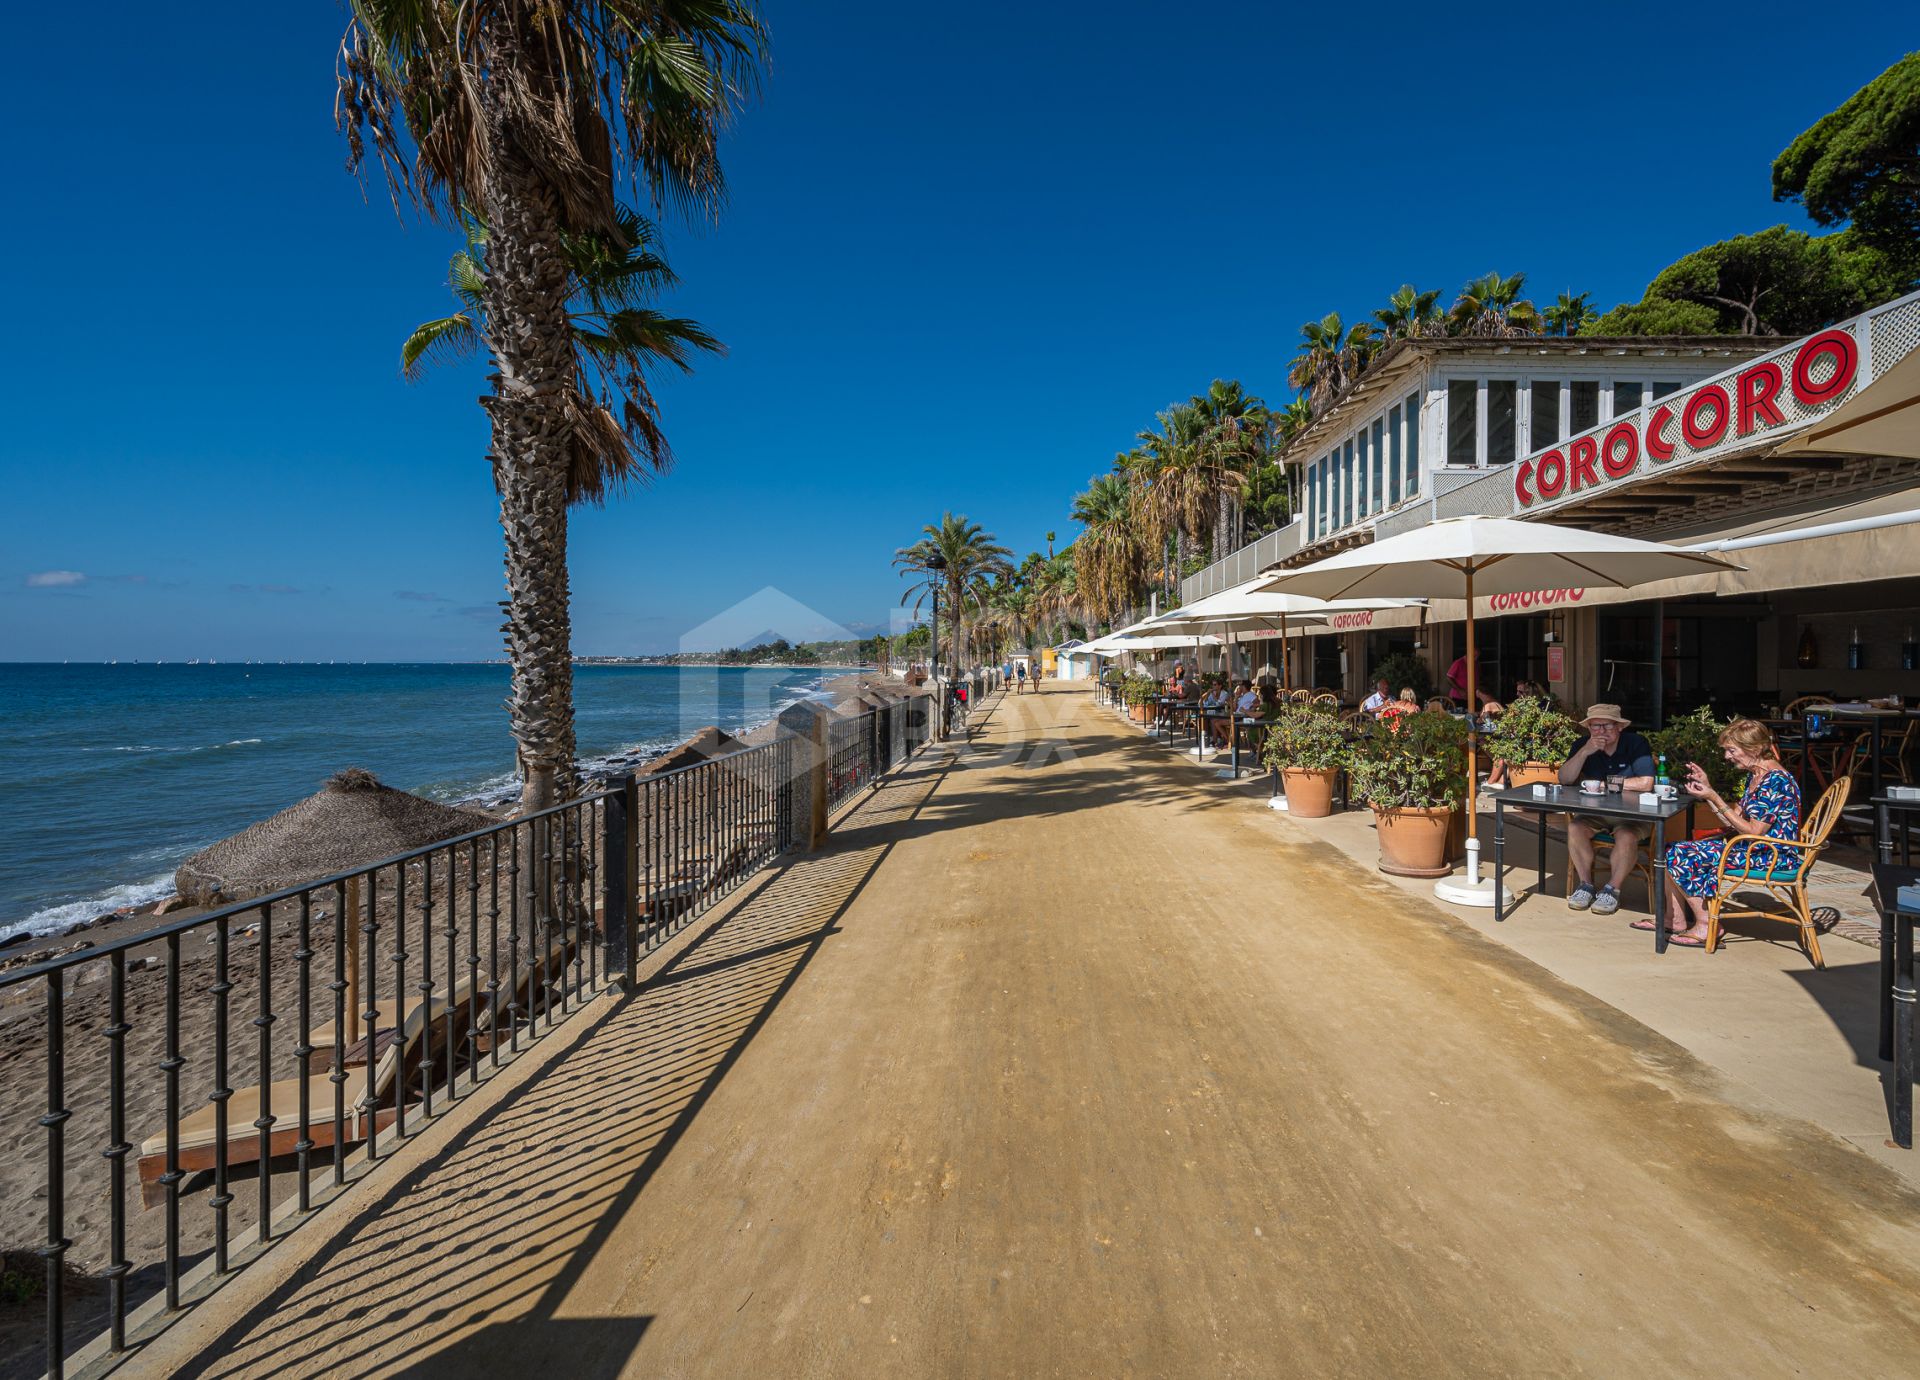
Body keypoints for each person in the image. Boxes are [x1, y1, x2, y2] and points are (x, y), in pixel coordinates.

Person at [1644, 719, 1802, 947]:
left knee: (1682, 853)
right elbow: (1733, 819)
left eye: (1732, 750)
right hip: (1752, 848)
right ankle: (1675, 919)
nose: (1727, 756)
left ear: (1755, 749)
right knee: (1672, 848)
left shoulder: (1774, 781)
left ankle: (1707, 925)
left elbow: (1753, 831)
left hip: (1771, 856)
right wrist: (1709, 792)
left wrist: (1714, 797)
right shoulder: (1757, 775)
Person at [1560, 704, 1658, 917]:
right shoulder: (1582, 745)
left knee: (1626, 835)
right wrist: (1585, 751)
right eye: (1594, 727)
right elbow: (1565, 779)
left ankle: (1612, 889)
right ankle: (1586, 884)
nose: (1600, 731)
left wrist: (1605, 785)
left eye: (1606, 725)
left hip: (1632, 815)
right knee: (1576, 827)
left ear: (1619, 727)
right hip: (1596, 812)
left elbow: (1646, 783)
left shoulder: (1636, 743)